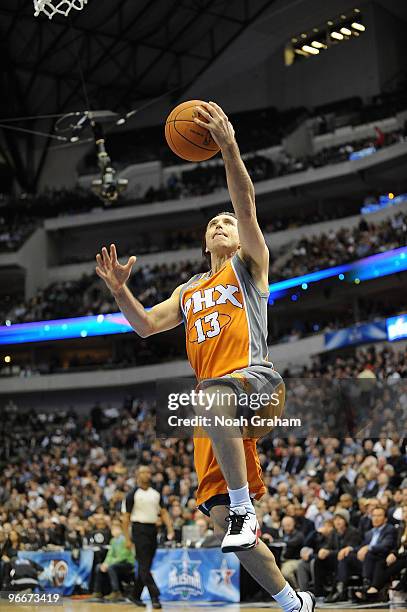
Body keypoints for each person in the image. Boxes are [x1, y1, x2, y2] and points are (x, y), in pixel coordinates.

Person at [96, 100, 315, 612]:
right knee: (222, 527)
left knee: (210, 397)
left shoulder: (249, 267)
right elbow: (147, 326)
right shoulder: (190, 290)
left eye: (227, 222)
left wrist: (229, 147)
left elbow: (244, 201)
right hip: (214, 411)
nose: (222, 224)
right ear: (202, 242)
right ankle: (293, 603)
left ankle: (244, 507)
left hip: (256, 382)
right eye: (213, 223)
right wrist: (120, 292)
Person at [121, 466, 175, 609]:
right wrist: (127, 538)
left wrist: (170, 527)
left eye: (148, 472)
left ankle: (135, 595)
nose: (146, 474)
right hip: (139, 529)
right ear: (137, 475)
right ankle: (155, 596)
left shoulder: (156, 494)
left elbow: (163, 512)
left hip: (153, 530)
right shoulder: (132, 494)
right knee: (144, 566)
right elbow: (125, 518)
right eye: (143, 472)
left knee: (145, 566)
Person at [327, 506, 396, 603]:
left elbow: (386, 545)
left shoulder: (390, 529)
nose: (375, 518)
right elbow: (361, 547)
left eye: (379, 515)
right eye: (374, 516)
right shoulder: (369, 533)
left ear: (385, 518)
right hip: (365, 562)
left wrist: (369, 548)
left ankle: (366, 587)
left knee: (369, 554)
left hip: (380, 560)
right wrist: (350, 548)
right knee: (346, 556)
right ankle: (340, 589)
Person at [91, 520, 135, 601]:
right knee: (98, 567)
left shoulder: (125, 540)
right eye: (112, 529)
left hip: (127, 563)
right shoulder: (113, 541)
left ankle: (116, 592)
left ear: (121, 530)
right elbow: (109, 555)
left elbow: (123, 556)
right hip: (116, 563)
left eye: (115, 529)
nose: (113, 531)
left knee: (111, 567)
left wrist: (109, 564)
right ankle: (97, 591)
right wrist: (105, 563)